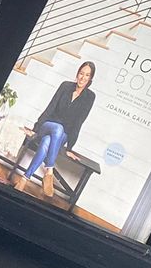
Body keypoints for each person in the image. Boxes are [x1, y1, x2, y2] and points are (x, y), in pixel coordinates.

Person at [12, 61, 96, 197]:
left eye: (87, 75)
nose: (82, 78)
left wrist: (69, 148)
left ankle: (24, 179)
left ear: (90, 79)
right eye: (81, 73)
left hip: (63, 135)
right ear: (77, 74)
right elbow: (50, 107)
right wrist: (36, 128)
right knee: (57, 129)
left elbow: (79, 122)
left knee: (46, 142)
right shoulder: (65, 86)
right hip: (48, 125)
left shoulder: (90, 97)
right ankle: (49, 171)